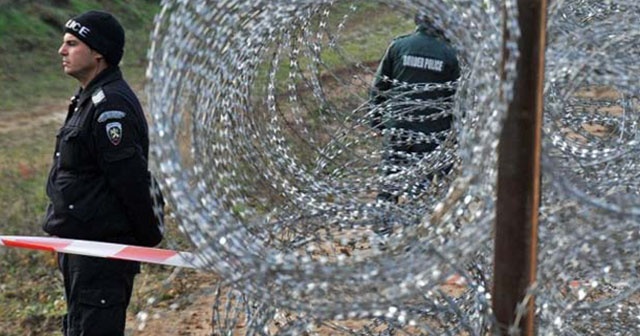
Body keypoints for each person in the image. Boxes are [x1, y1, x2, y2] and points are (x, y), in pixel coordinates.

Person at [42, 10, 163, 335]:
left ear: (98, 53)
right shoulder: (88, 98)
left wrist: (147, 236)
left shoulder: (111, 106)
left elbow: (131, 180)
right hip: (82, 248)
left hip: (101, 251)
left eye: (72, 43)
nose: (61, 50)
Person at [370, 12, 460, 205]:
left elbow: (379, 88)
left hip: (399, 125)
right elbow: (459, 99)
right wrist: (457, 135)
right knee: (422, 183)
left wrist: (376, 121)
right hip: (432, 130)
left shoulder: (399, 46)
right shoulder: (450, 54)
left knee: (390, 178)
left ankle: (383, 228)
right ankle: (415, 225)